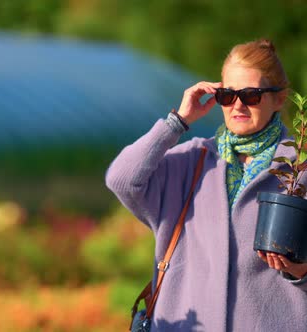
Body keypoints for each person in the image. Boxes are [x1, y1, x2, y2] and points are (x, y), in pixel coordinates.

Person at [106, 39, 307, 331]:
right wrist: (178, 121)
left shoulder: (298, 168)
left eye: (251, 95)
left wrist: (300, 270)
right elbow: (121, 179)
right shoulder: (191, 161)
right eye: (227, 94)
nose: (237, 105)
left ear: (279, 98)